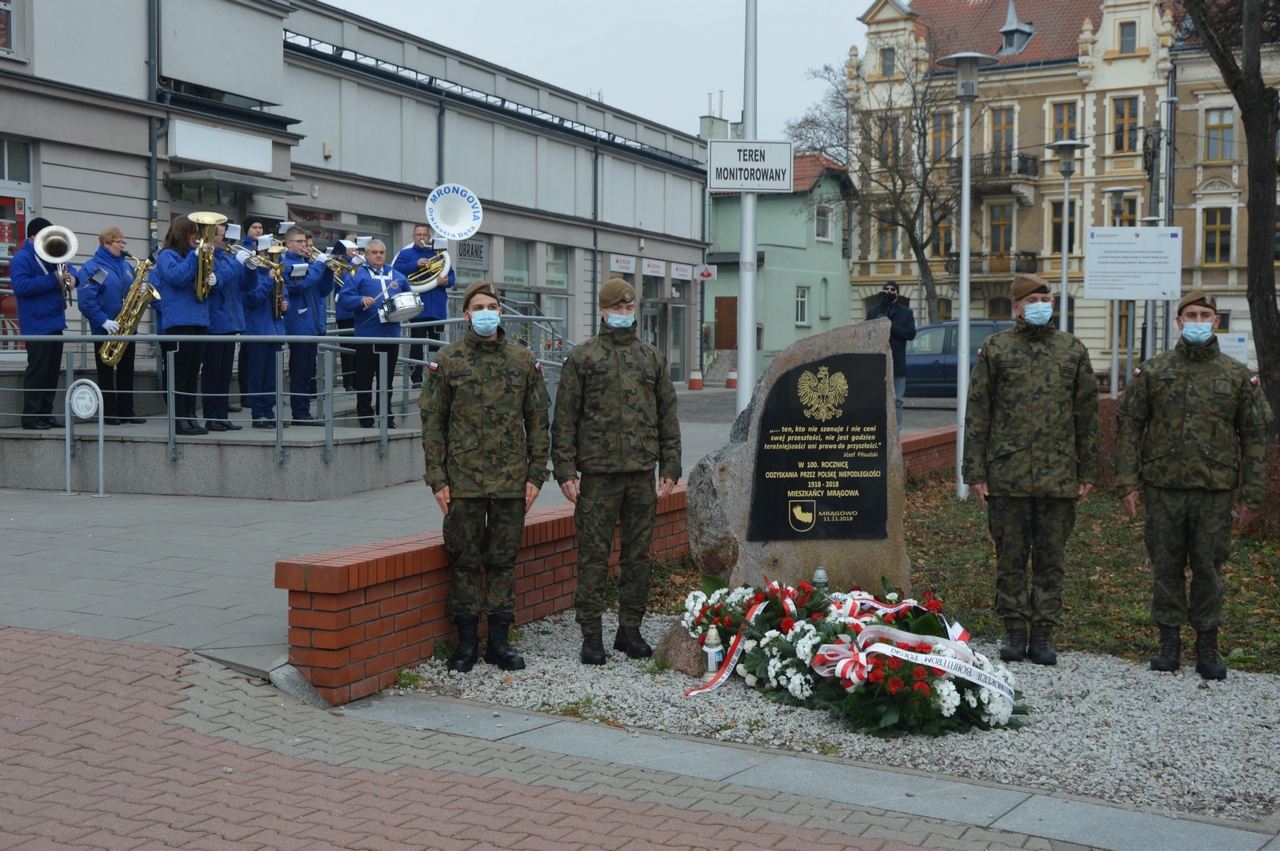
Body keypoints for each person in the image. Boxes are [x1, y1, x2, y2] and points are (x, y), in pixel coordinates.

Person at [1115, 291, 1273, 680]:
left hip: (1214, 492)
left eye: (1205, 315)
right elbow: (1130, 427)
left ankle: (1207, 644)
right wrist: (1127, 482)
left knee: (1208, 569)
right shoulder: (1153, 371)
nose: (1198, 321)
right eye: (1191, 314)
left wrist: (1252, 494)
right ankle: (1169, 642)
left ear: (1216, 321)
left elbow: (1255, 438)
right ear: (1179, 321)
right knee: (1166, 566)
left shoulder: (1237, 375)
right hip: (1163, 488)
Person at [963, 274, 1099, 666]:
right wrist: (975, 472)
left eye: (1046, 298)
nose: (1042, 304)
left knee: (1051, 558)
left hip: (1059, 473)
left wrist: (1088, 470)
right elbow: (978, 412)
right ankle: (1014, 631)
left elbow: (1086, 415)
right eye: (1033, 299)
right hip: (1008, 474)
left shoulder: (1072, 349)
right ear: (1017, 307)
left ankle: (1042, 634)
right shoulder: (996, 349)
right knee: (1010, 556)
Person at [420, 279, 550, 672]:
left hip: (511, 481)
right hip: (462, 482)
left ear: (501, 312)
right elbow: (432, 424)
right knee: (463, 560)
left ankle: (498, 643)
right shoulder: (447, 360)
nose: (486, 313)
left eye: (492, 307)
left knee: (503, 562)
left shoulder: (523, 360)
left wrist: (536, 475)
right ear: (466, 315)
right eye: (478, 307)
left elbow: (538, 421)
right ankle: (465, 645)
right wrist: (437, 479)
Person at [551, 277, 681, 664]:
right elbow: (564, 419)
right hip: (598, 474)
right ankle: (592, 634)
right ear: (602, 311)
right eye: (617, 308)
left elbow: (667, 417)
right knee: (593, 556)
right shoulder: (583, 357)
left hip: (641, 472)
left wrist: (671, 466)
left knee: (637, 557)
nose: (624, 314)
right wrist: (565, 470)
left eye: (629, 308)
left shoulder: (651, 357)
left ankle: (630, 629)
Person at [10, 217, 75, 430]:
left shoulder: (52, 255)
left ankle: (46, 414)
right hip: (36, 324)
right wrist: (54, 278)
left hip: (55, 322)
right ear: (33, 236)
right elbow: (21, 286)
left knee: (51, 373)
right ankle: (30, 416)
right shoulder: (22, 258)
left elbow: (70, 269)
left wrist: (73, 279)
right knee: (37, 372)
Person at [77, 226, 145, 425]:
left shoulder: (126, 266)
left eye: (123, 242)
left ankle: (126, 410)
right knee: (105, 372)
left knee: (126, 370)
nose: (122, 246)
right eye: (118, 242)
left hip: (126, 327)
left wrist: (139, 290)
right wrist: (103, 321)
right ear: (106, 243)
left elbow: (130, 290)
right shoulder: (96, 268)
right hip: (105, 328)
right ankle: (109, 411)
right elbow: (87, 300)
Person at [154, 216, 213, 435]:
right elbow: (177, 276)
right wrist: (195, 257)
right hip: (179, 321)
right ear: (182, 232)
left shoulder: (192, 255)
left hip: (199, 319)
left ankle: (190, 415)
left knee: (192, 372)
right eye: (194, 232)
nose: (197, 236)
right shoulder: (167, 255)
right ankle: (178, 418)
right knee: (180, 372)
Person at [337, 239, 405, 428]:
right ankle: (366, 418)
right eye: (374, 252)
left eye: (381, 252)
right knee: (364, 380)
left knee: (387, 382)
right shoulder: (358, 274)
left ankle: (386, 418)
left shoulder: (397, 275)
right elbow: (343, 299)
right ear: (366, 255)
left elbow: (408, 296)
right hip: (367, 336)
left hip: (391, 336)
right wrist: (361, 300)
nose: (378, 256)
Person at [279, 226, 334, 425]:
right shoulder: (286, 264)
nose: (304, 245)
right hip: (299, 324)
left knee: (308, 371)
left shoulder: (308, 264)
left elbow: (323, 291)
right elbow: (299, 285)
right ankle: (299, 412)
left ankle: (304, 411)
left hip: (312, 324)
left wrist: (328, 270)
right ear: (289, 243)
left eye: (305, 242)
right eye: (300, 242)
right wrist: (319, 267)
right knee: (300, 371)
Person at [392, 223, 455, 387]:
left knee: (437, 347)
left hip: (437, 309)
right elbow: (395, 271)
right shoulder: (406, 254)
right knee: (416, 346)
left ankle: (435, 376)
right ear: (413, 237)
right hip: (417, 309)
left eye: (424, 235)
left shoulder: (439, 254)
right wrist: (415, 264)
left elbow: (452, 276)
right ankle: (417, 378)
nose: (422, 238)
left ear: (429, 237)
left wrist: (447, 281)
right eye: (418, 235)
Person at [239, 237, 289, 428]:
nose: (270, 257)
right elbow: (251, 299)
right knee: (256, 376)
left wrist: (286, 306)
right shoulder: (250, 275)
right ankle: (258, 414)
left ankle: (269, 412)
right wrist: (269, 281)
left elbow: (285, 296)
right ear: (258, 254)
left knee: (271, 377)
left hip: (275, 331)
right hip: (257, 331)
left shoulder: (277, 275)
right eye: (267, 254)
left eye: (272, 254)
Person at [201, 223, 246, 431]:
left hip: (229, 321)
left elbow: (246, 286)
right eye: (224, 236)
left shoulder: (228, 259)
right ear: (213, 237)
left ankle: (222, 415)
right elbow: (216, 284)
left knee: (225, 374)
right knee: (213, 374)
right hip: (215, 321)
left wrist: (250, 269)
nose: (228, 240)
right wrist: (237, 264)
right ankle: (211, 417)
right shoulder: (208, 259)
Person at [864, 280, 916, 431]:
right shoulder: (874, 311)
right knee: (877, 398)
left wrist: (892, 326)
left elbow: (911, 333)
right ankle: (877, 427)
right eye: (887, 289)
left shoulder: (906, 313)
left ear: (897, 293)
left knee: (897, 399)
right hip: (878, 361)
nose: (889, 291)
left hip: (897, 362)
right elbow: (865, 332)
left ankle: (896, 429)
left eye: (893, 289)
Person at [236, 215, 267, 411]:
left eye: (260, 228)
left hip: (261, 311)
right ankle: (246, 394)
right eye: (255, 227)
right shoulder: (243, 249)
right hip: (247, 310)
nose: (258, 231)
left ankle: (259, 394)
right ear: (247, 229)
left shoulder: (264, 246)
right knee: (247, 355)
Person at [332, 234, 361, 391]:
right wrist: (352, 265)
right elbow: (341, 283)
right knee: (347, 350)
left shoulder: (361, 263)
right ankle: (348, 382)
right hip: (345, 313)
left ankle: (358, 380)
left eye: (357, 248)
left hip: (359, 312)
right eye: (351, 248)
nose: (355, 251)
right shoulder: (341, 263)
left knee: (359, 348)